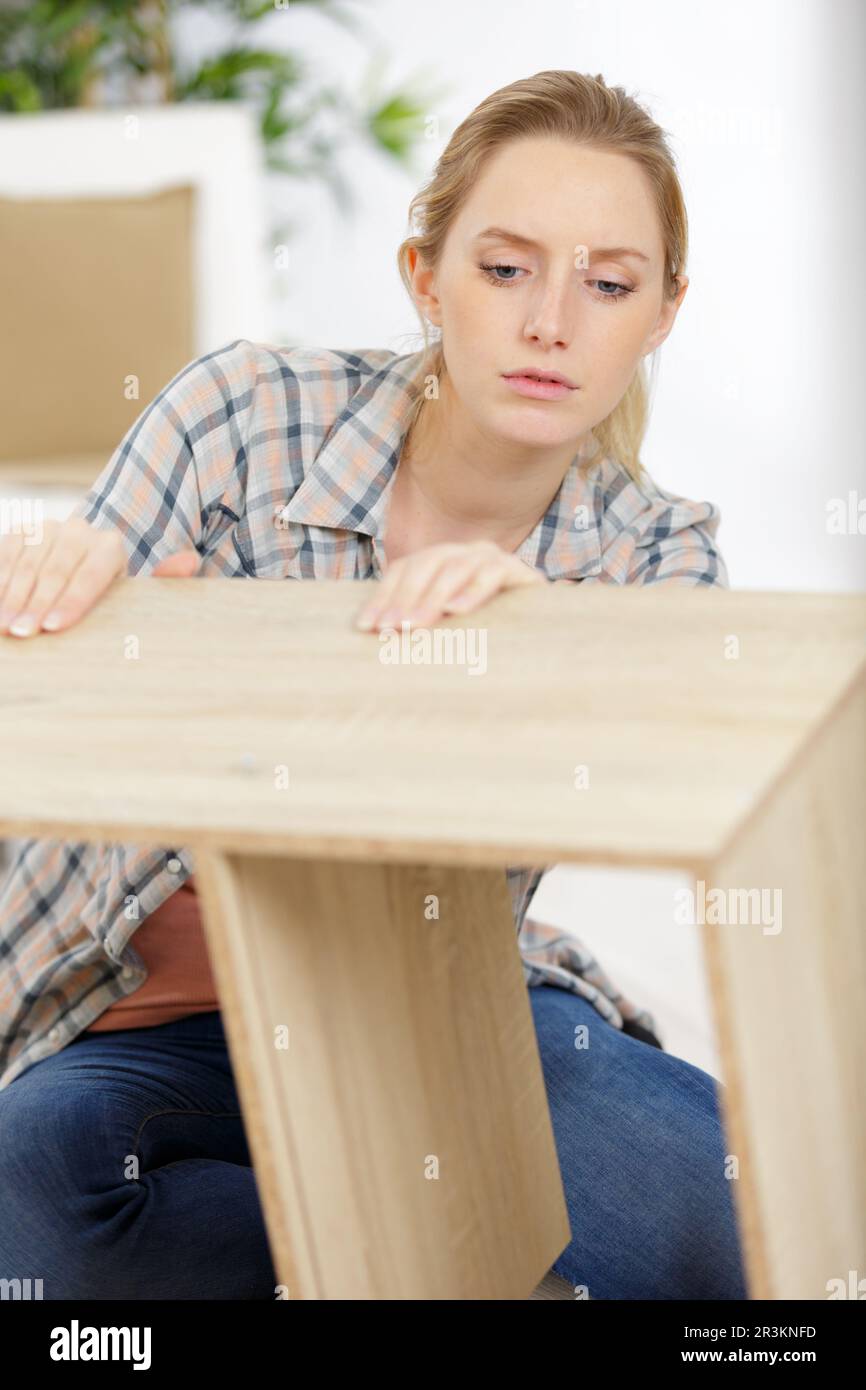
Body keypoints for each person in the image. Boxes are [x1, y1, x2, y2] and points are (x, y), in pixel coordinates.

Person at [0, 70, 747, 1300]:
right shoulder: (235, 416)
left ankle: (416, 1253)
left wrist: (539, 645)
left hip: (438, 1027)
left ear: (661, 312)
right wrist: (74, 597)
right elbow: (62, 696)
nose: (550, 321)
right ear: (424, 277)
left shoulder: (655, 550)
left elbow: (691, 768)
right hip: (145, 1023)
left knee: (716, 1211)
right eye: (504, 269)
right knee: (35, 1207)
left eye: (607, 284)